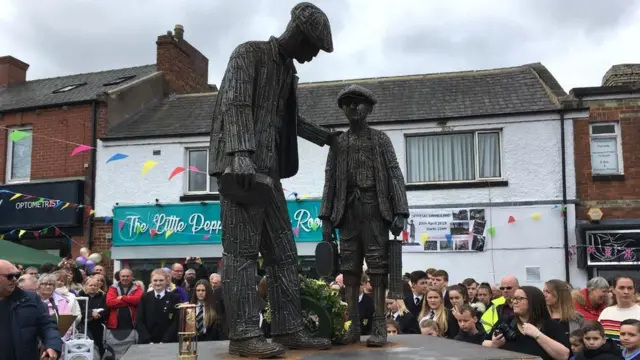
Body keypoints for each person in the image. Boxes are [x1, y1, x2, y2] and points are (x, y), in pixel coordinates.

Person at [208, 2, 337, 357]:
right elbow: (236, 104)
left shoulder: (287, 73)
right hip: (242, 170)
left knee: (284, 254)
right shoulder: (249, 53)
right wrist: (241, 154)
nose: (312, 56)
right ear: (298, 34)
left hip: (270, 176)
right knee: (242, 254)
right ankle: (245, 334)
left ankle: (287, 328)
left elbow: (288, 122)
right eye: (312, 47)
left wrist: (325, 137)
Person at [319, 84, 409, 346]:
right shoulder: (338, 143)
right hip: (347, 211)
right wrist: (325, 216)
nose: (352, 108)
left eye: (358, 103)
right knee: (349, 271)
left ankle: (380, 325)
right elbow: (330, 181)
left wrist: (400, 210)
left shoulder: (380, 140)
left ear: (369, 108)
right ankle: (354, 327)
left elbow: (394, 174)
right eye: (347, 104)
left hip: (374, 208)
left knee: (378, 268)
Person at [482, 286, 570, 360]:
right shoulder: (506, 322)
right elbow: (483, 343)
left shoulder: (550, 325)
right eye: (514, 298)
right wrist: (494, 344)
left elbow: (564, 355)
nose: (514, 302)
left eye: (519, 298)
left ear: (533, 301)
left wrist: (537, 335)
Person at [0, 260, 61, 360]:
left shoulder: (30, 299)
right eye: (9, 276)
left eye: (17, 275)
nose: (14, 279)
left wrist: (52, 346)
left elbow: (48, 325)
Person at [135, 269, 180, 344]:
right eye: (155, 280)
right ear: (151, 281)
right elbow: (139, 321)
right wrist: (148, 340)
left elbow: (175, 322)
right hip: (147, 343)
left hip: (168, 343)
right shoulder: (144, 298)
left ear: (166, 281)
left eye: (161, 280)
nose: (158, 283)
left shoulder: (174, 298)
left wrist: (165, 341)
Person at [599, 276, 640, 344]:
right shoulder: (606, 312)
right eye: (621, 288)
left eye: (630, 288)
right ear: (613, 290)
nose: (626, 292)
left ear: (634, 290)